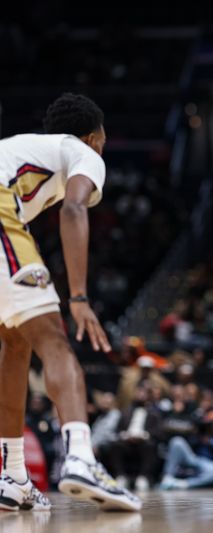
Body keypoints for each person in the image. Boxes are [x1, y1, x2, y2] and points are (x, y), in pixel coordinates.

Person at [0, 93, 139, 511]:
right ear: (96, 136)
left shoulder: (22, 149)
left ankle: (12, 474)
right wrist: (78, 296)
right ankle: (81, 456)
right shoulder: (82, 150)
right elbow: (74, 210)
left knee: (15, 345)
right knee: (55, 344)